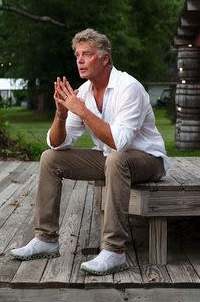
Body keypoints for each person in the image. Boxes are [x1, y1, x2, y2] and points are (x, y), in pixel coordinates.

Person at [10, 28, 169, 275]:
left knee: (117, 159)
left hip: (148, 160)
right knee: (50, 158)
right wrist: (61, 115)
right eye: (77, 55)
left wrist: (83, 111)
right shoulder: (84, 92)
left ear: (105, 59)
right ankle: (46, 238)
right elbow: (57, 144)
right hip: (110, 159)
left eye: (87, 54)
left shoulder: (129, 88)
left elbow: (121, 142)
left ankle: (114, 251)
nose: (80, 60)